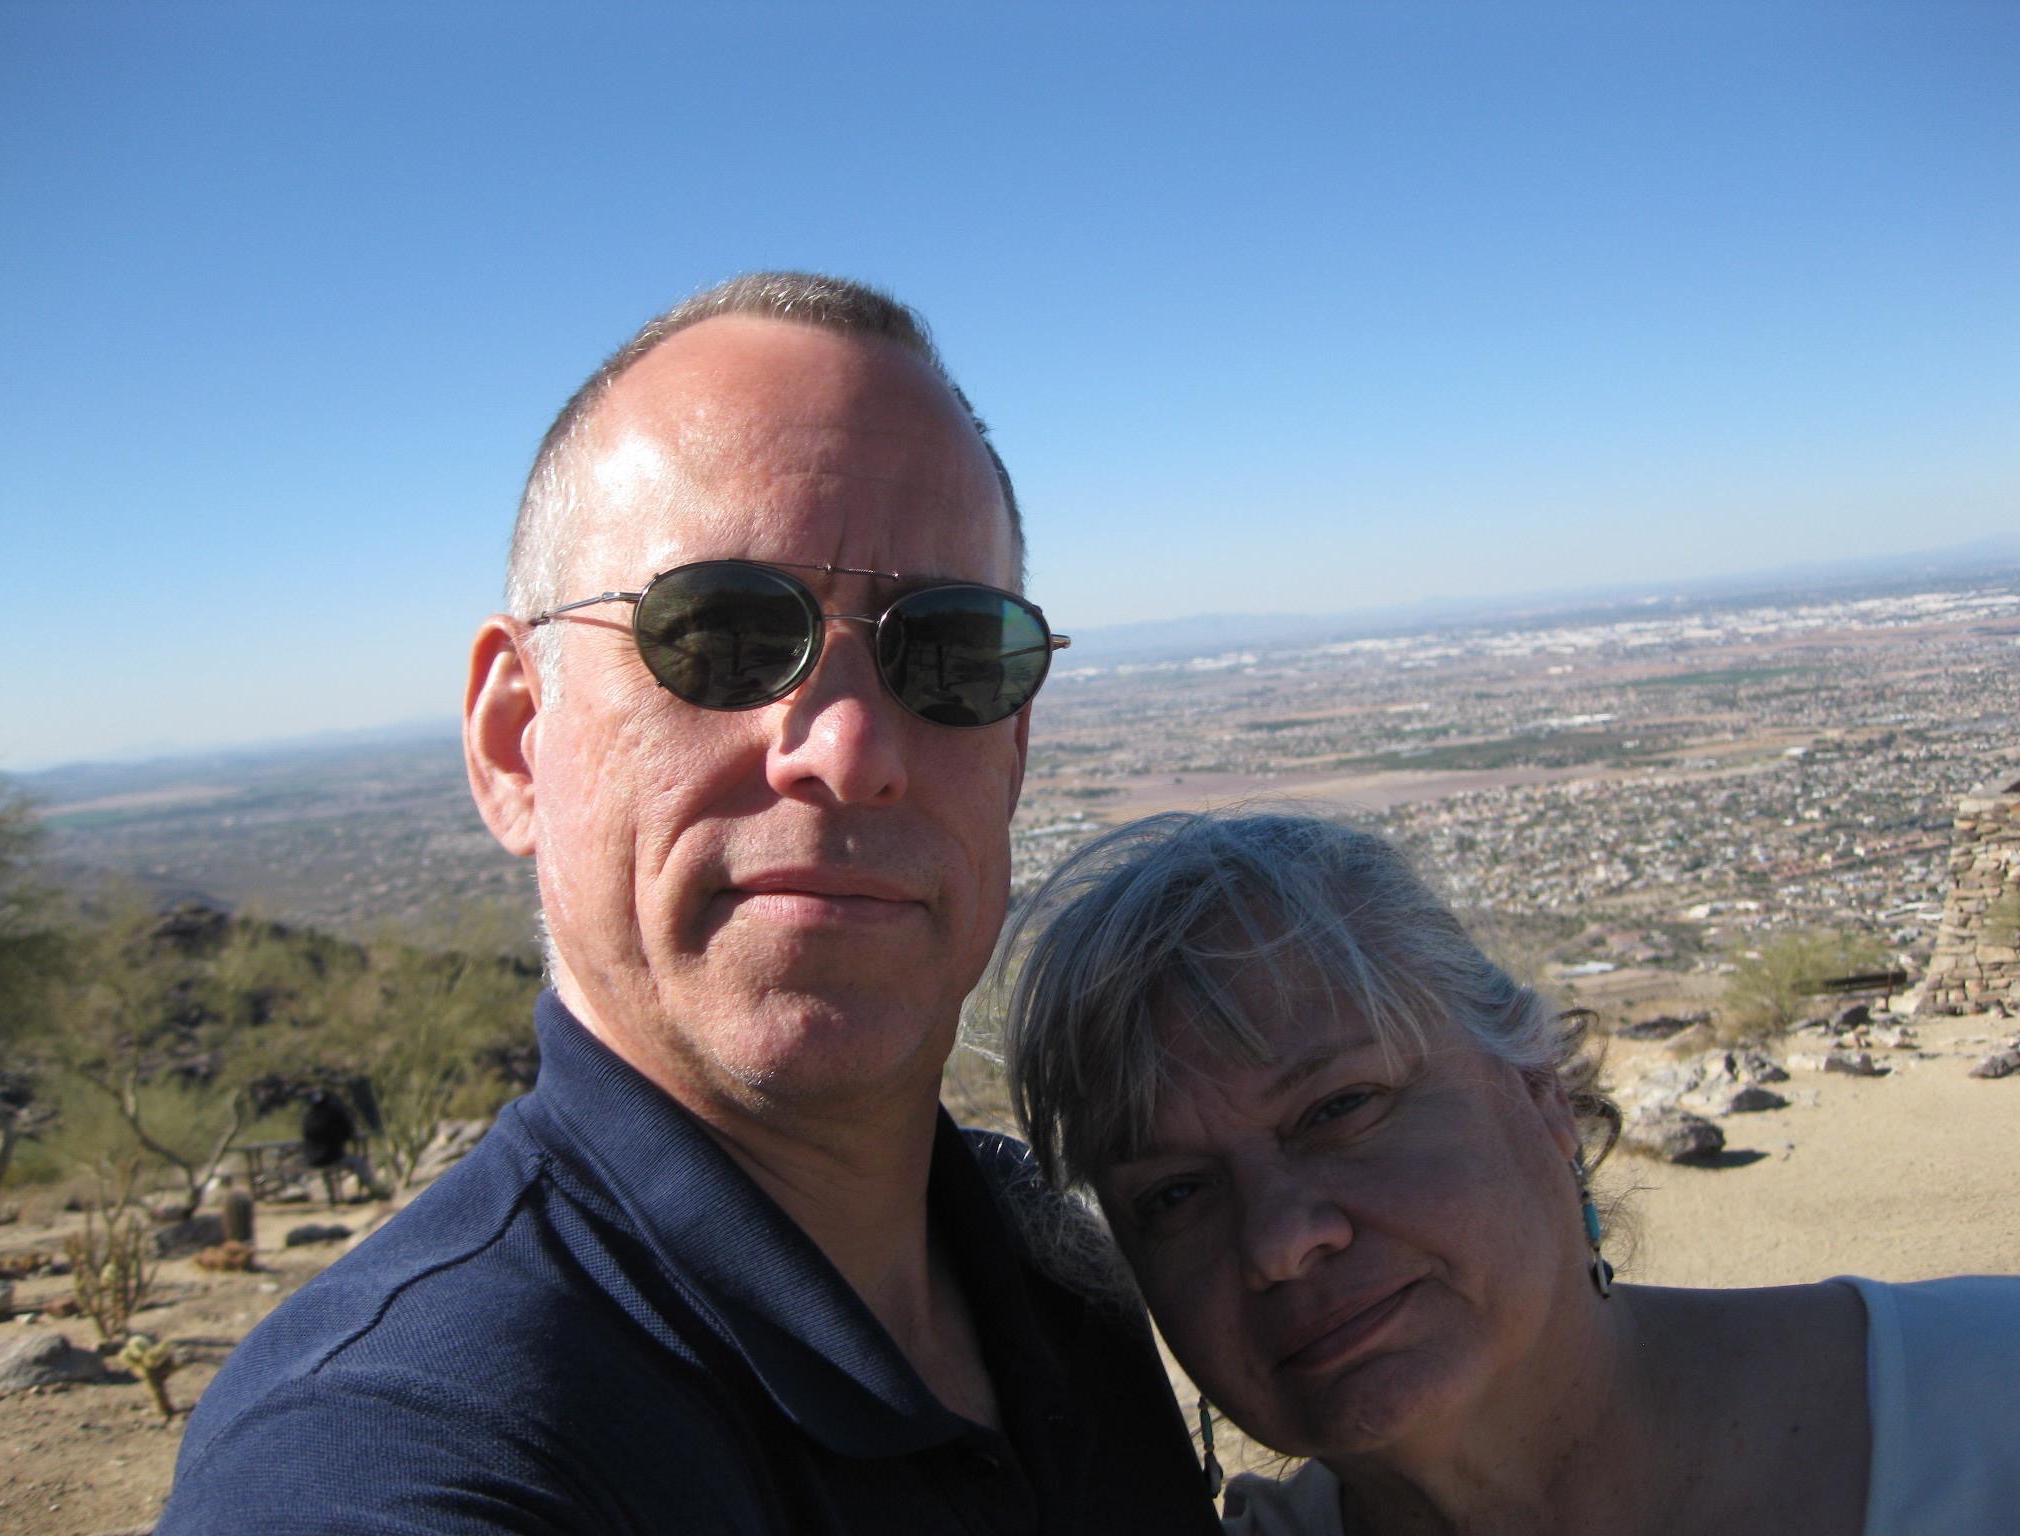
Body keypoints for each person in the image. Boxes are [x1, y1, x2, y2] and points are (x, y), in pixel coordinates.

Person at [160, 275, 1220, 1535]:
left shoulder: (1060, 1275)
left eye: (948, 650)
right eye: (719, 631)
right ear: (514, 743)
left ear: (1014, 753)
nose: (846, 747)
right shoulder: (401, 1436)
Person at [999, 810, 2020, 1535]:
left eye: (1337, 1108)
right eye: (1172, 1195)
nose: (1274, 1241)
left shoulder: (1983, 1404)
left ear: (1540, 1091)